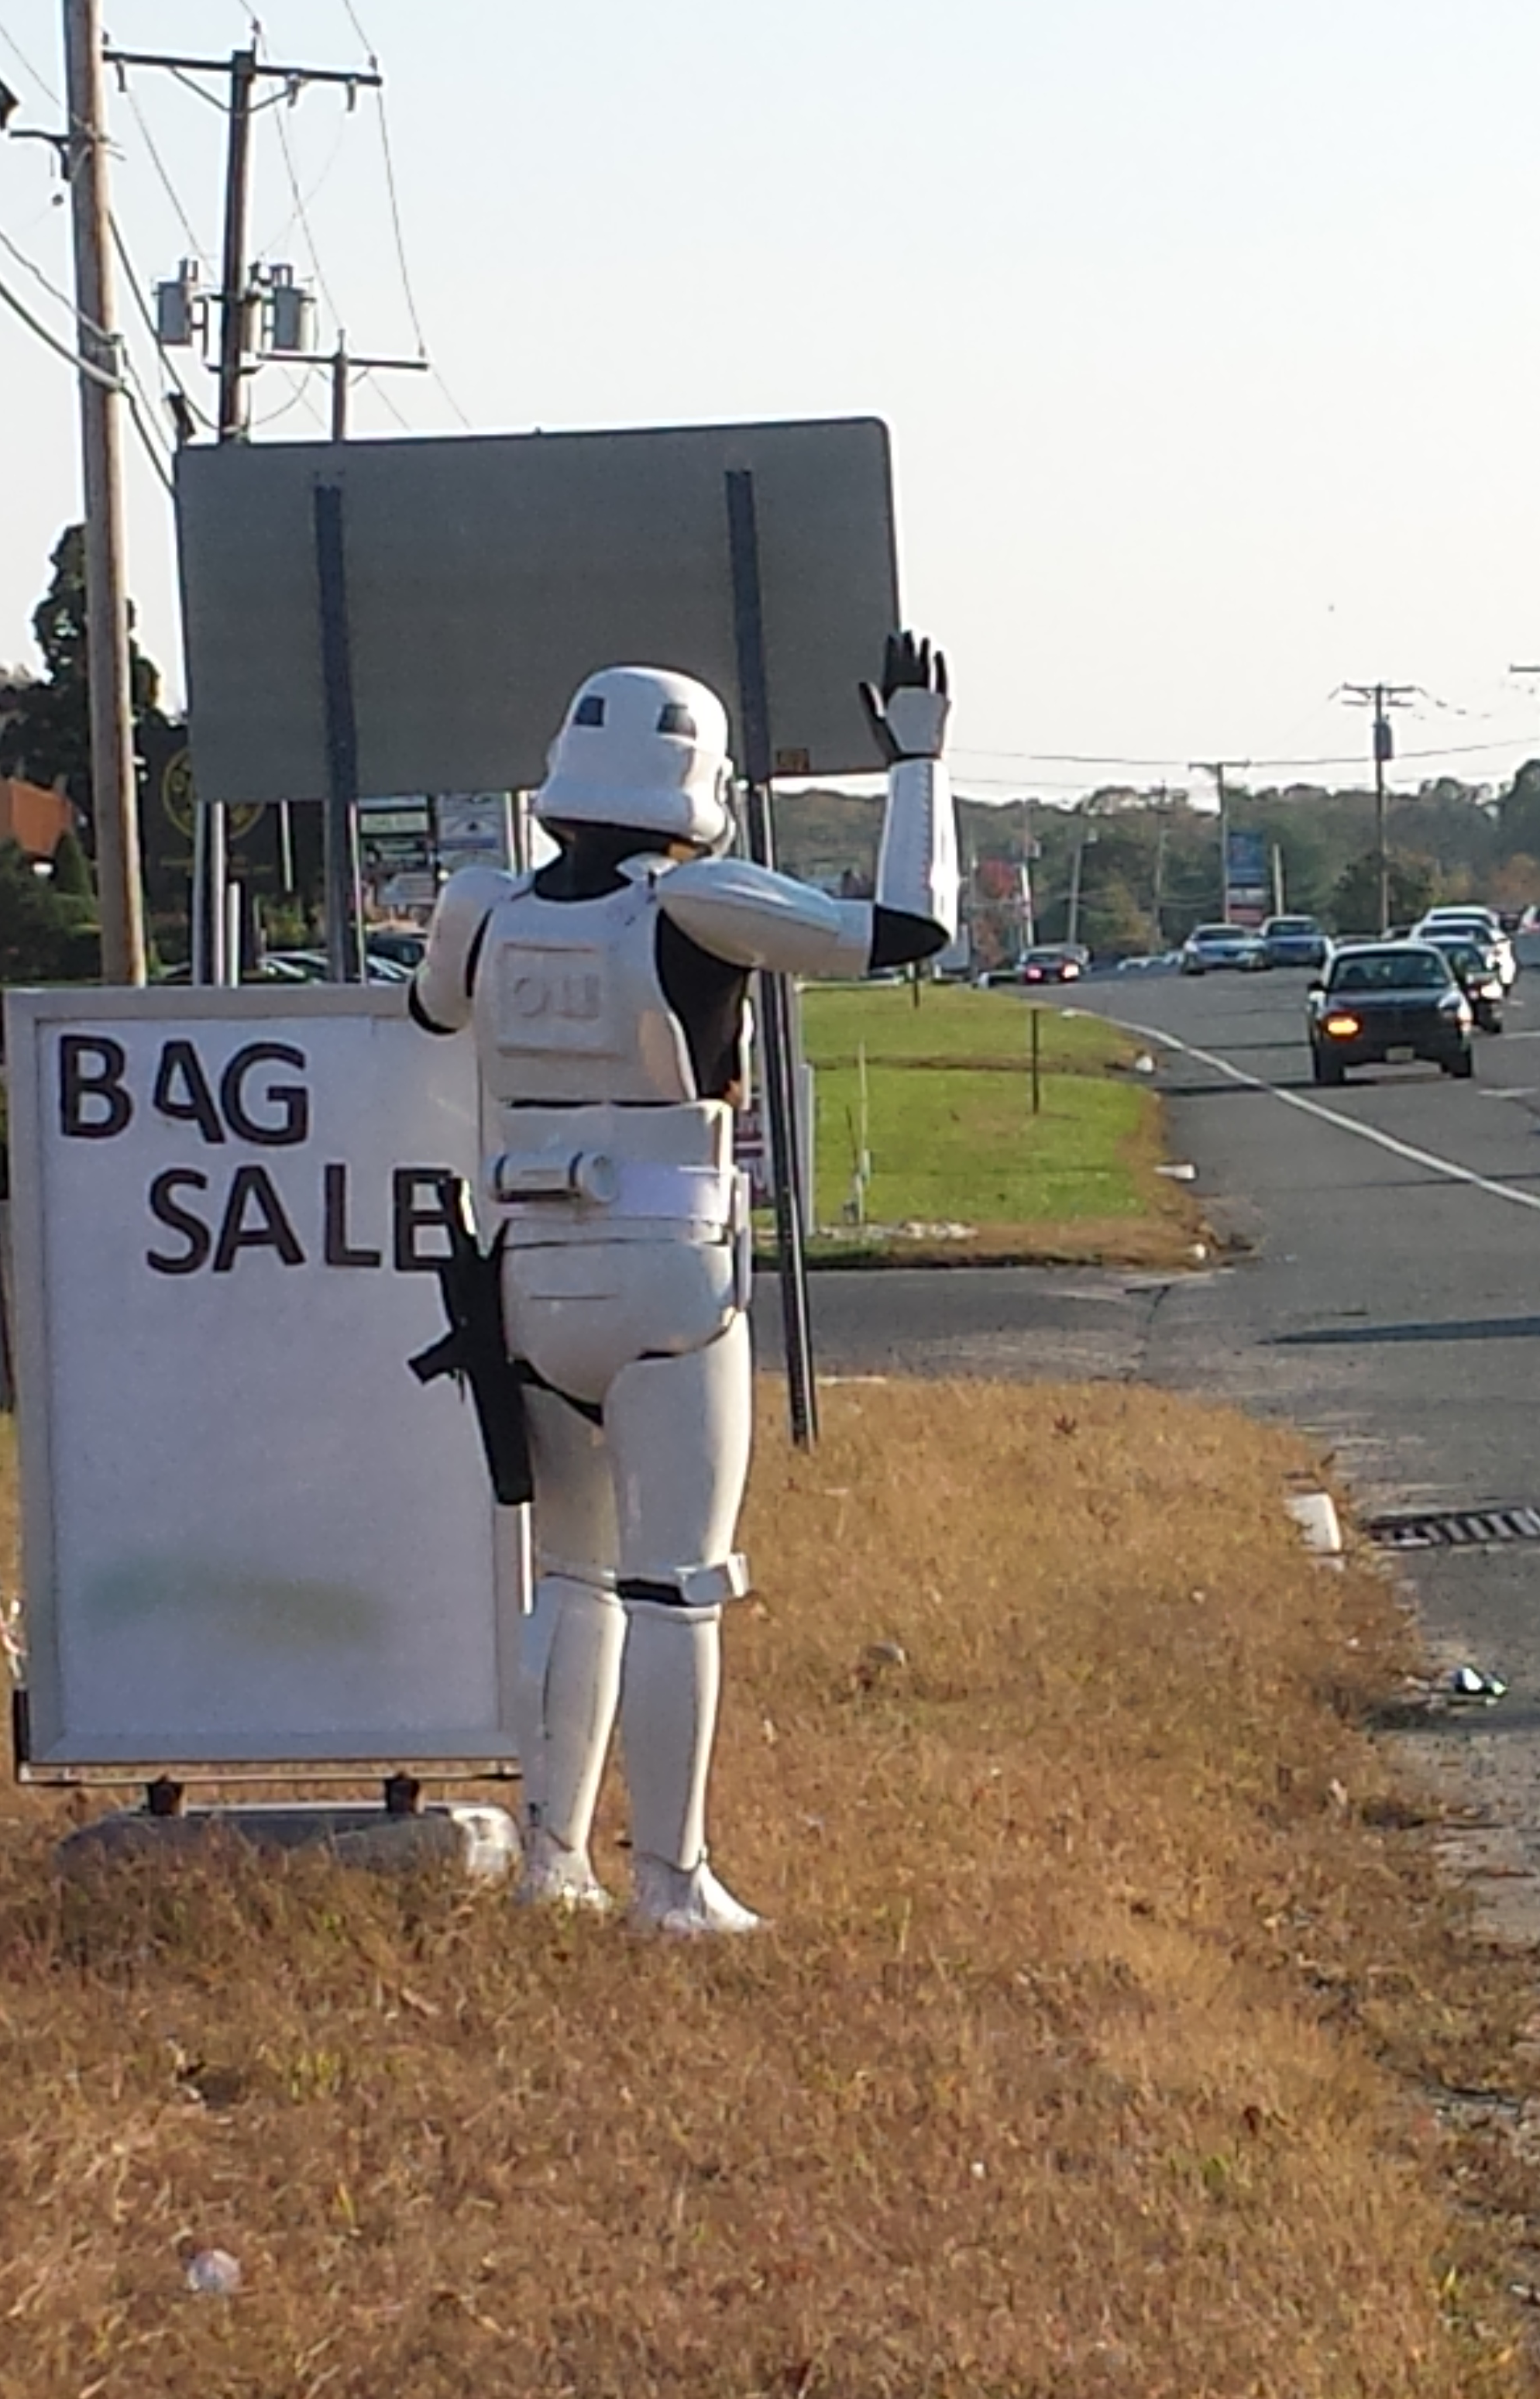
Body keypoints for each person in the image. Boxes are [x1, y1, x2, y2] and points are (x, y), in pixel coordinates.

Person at [411, 638, 956, 1933]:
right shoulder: (695, 903)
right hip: (668, 1266)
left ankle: (556, 1862)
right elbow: (905, 931)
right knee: (678, 1582)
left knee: (572, 1576)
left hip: (526, 1266)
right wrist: (920, 764)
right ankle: (670, 1878)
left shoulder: (481, 905)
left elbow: (430, 1015)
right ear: (694, 778)